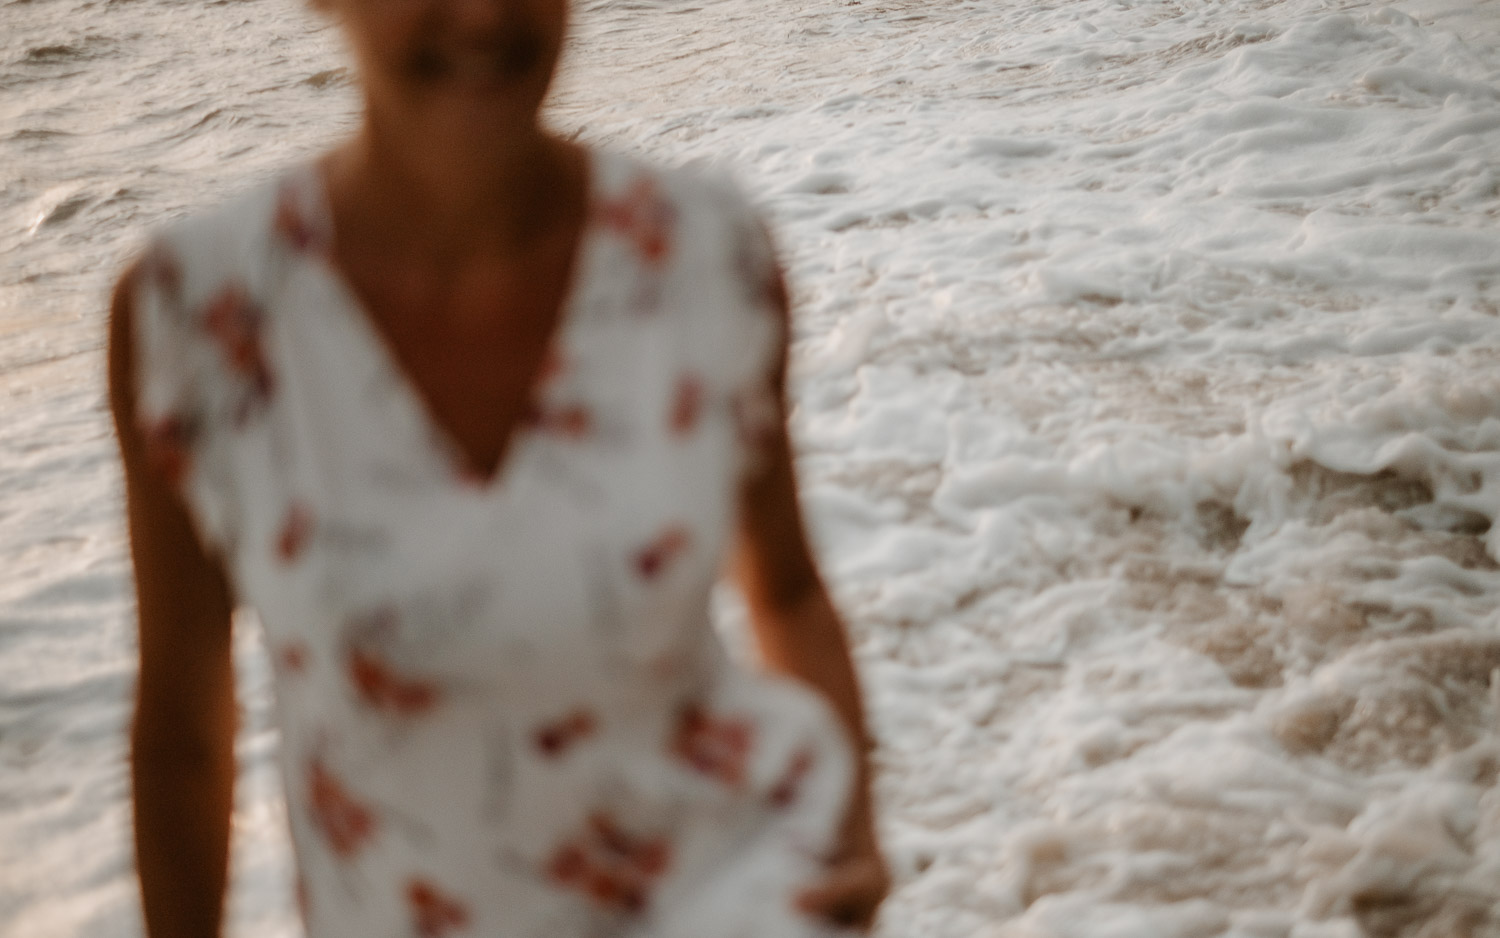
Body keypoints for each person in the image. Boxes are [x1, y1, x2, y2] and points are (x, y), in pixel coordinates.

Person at [107, 0, 888, 936]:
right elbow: (184, 732)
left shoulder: (704, 254)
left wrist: (849, 840)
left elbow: (788, 591)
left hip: (724, 903)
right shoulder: (203, 316)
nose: (481, 15)